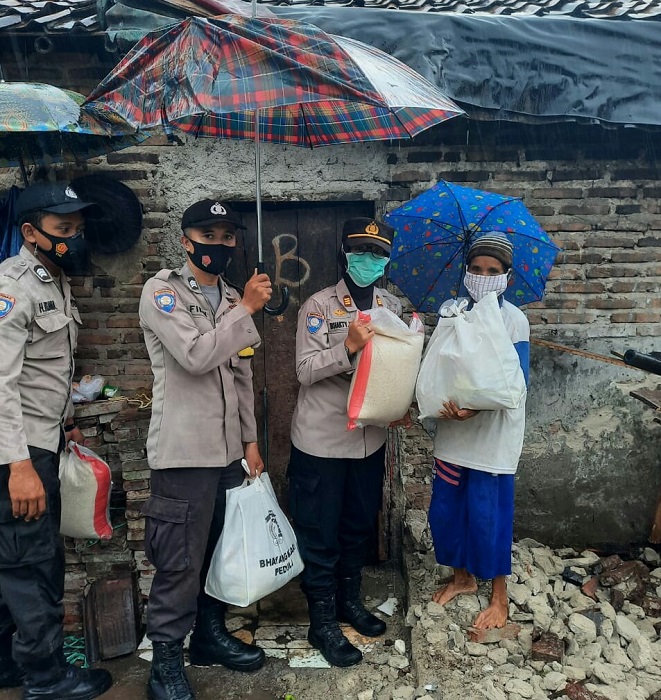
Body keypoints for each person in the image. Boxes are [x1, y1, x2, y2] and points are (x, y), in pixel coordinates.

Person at [139, 199, 272, 700]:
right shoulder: (163, 292)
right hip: (184, 454)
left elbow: (240, 375)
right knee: (179, 561)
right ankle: (165, 664)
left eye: (226, 236)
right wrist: (246, 310)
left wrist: (250, 441)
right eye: (207, 235)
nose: (218, 245)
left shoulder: (231, 296)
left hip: (227, 456)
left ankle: (210, 637)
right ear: (186, 239)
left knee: (220, 551)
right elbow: (195, 357)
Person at [0, 182, 113, 699]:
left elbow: (40, 372)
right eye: (63, 229)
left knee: (18, 559)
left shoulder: (54, 280)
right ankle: (45, 680)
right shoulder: (13, 286)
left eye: (77, 229)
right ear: (31, 231)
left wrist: (66, 419)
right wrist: (18, 465)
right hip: (18, 453)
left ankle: (9, 667)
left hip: (43, 440)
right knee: (31, 564)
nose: (74, 238)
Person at [289, 217, 409, 668]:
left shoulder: (390, 306)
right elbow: (303, 369)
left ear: (386, 261)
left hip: (369, 441)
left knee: (357, 526)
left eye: (377, 253)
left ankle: (349, 602)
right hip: (322, 442)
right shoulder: (318, 307)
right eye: (360, 251)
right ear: (344, 253)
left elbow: (396, 365)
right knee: (320, 533)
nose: (368, 260)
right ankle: (321, 621)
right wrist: (351, 347)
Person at [428, 231, 530, 630]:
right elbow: (437, 368)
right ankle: (462, 577)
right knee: (448, 511)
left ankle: (499, 594)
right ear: (465, 271)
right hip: (453, 436)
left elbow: (517, 384)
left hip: (492, 440)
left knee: (491, 515)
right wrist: (442, 404)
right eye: (476, 268)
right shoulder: (451, 311)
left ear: (507, 277)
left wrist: (476, 406)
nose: (483, 276)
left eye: (493, 270)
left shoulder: (513, 319)